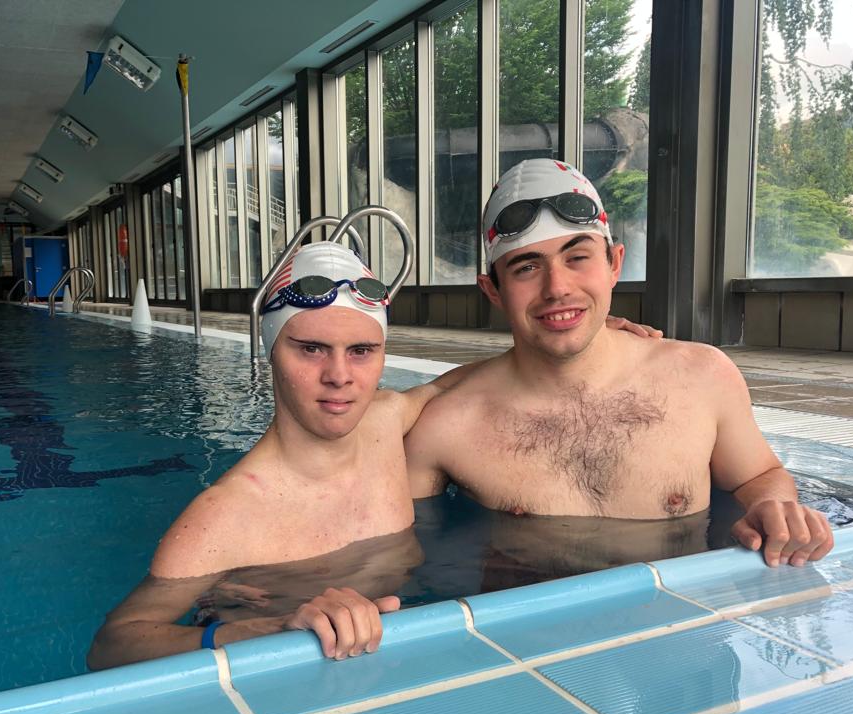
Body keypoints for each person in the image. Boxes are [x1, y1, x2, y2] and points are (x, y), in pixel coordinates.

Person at [88, 232, 660, 671]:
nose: (340, 376)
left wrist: (591, 336)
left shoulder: (386, 421)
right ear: (270, 352)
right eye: (311, 349)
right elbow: (113, 645)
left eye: (361, 351)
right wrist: (261, 631)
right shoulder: (225, 516)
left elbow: (462, 380)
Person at [405, 158, 833, 569]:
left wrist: (774, 506)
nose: (557, 288)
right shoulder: (446, 426)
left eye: (577, 257)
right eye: (527, 267)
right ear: (493, 291)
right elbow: (395, 554)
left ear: (614, 264)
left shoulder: (702, 377)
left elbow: (757, 475)